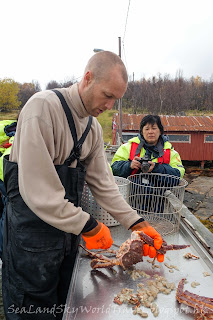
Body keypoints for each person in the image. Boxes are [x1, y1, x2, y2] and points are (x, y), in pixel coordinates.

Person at [3, 52, 164, 320]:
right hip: (29, 237)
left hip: (66, 237)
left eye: (116, 99)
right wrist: (88, 225)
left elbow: (103, 182)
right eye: (107, 95)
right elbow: (38, 190)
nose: (110, 105)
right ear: (87, 78)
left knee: (65, 303)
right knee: (31, 307)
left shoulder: (93, 128)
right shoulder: (42, 109)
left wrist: (137, 223)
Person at [111, 114, 185, 179]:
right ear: (142, 132)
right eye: (146, 129)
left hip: (160, 192)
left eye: (154, 128)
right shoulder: (127, 147)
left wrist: (157, 168)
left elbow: (179, 174)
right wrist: (129, 165)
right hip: (131, 191)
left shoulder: (170, 152)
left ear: (160, 131)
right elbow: (113, 169)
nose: (150, 132)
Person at [0, 120, 17, 258]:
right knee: (7, 213)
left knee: (6, 212)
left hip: (4, 174)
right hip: (7, 176)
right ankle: (4, 251)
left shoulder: (9, 127)